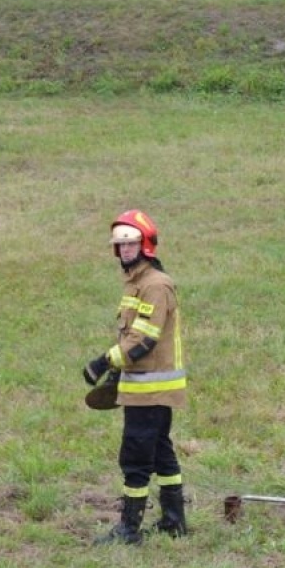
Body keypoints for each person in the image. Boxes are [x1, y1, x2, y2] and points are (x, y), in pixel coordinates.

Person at [83, 209, 188, 544]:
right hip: (143, 387)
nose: (125, 250)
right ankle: (174, 522)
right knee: (160, 452)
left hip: (150, 389)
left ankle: (130, 528)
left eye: (131, 244)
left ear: (146, 246)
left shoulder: (155, 285)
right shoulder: (137, 284)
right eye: (120, 245)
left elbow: (143, 339)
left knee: (136, 457)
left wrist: (104, 362)